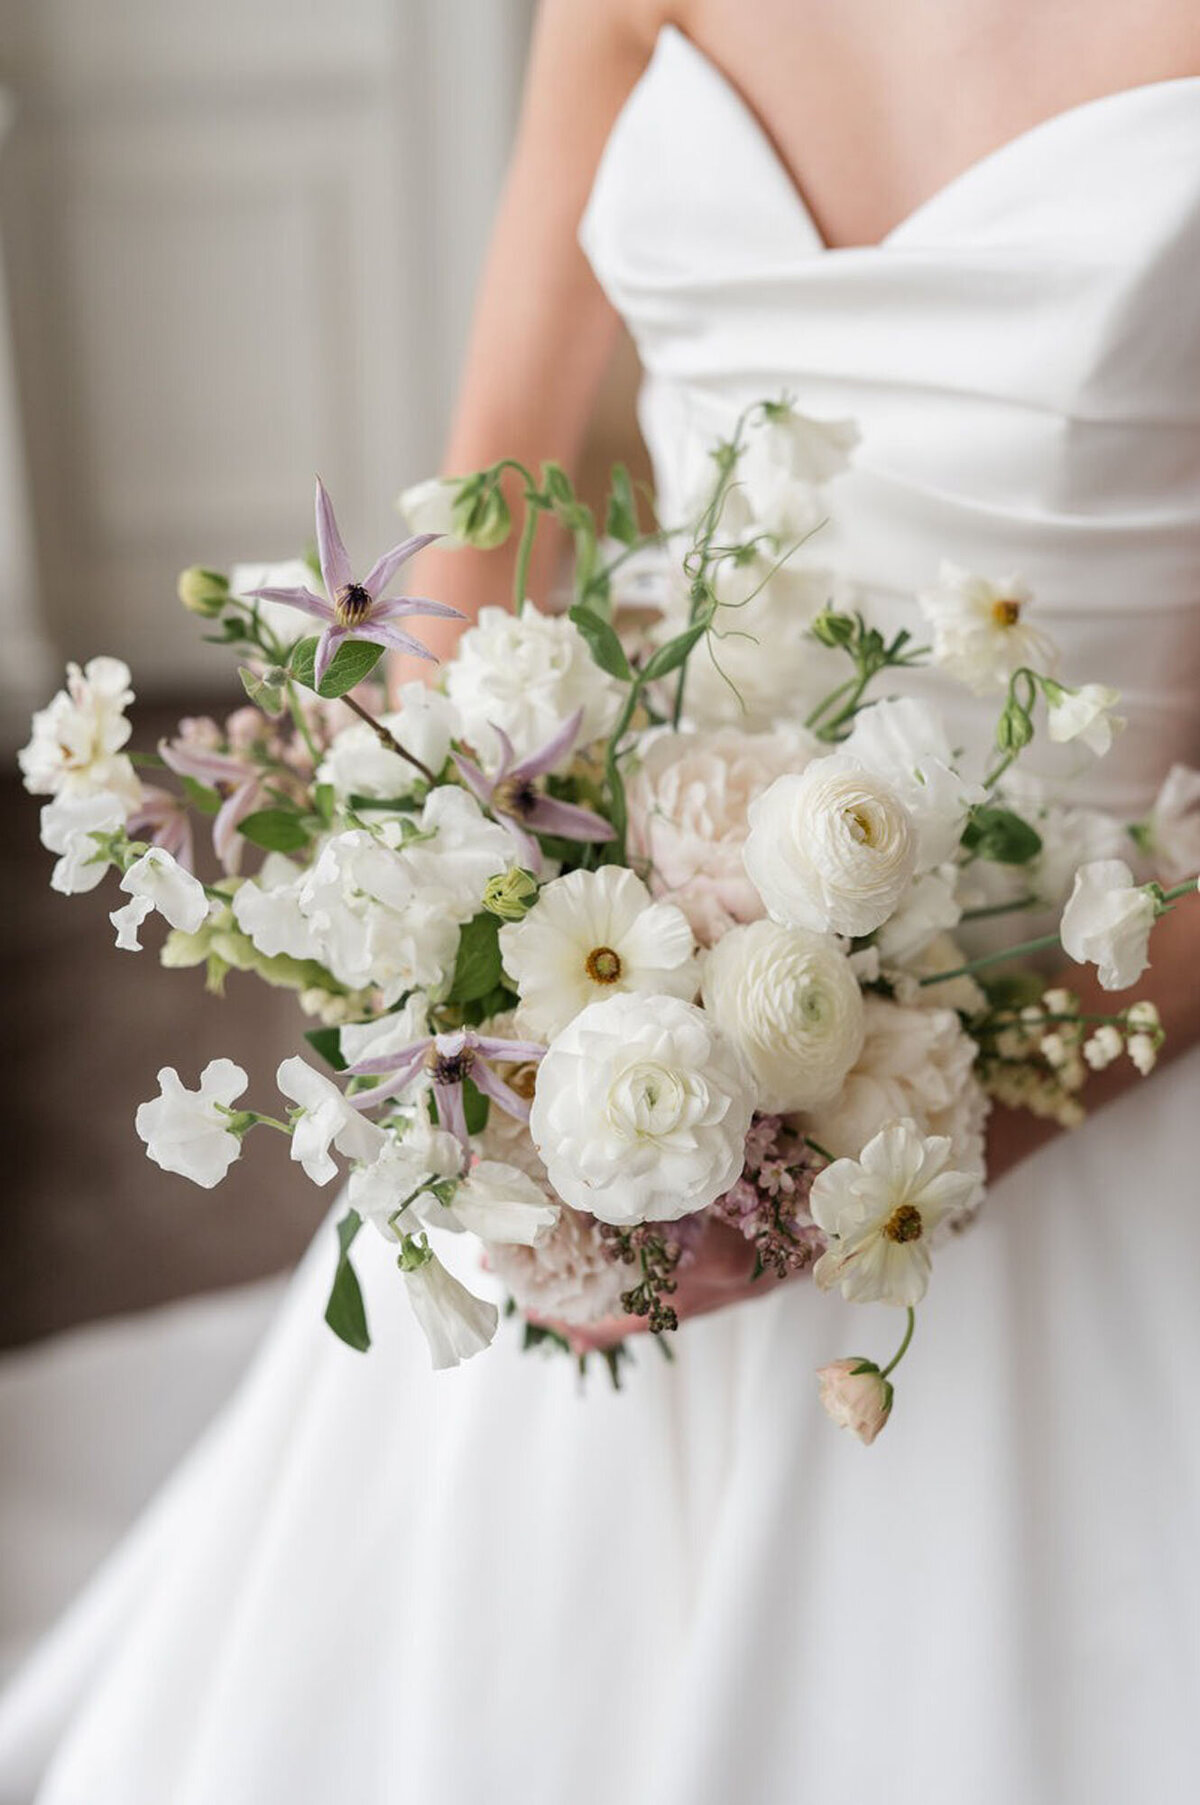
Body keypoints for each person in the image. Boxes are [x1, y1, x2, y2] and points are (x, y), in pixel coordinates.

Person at [2, 2, 1198, 1800]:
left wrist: (871, 1160)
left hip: (1097, 1016)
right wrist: (431, 901)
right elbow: (495, 478)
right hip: (621, 944)